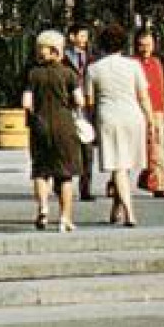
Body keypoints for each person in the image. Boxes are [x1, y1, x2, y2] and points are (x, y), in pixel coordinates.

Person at [85, 23, 154, 227]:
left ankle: (129, 212)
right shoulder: (134, 65)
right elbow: (143, 95)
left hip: (109, 117)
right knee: (125, 165)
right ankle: (117, 209)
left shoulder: (93, 69)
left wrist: (90, 121)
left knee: (118, 166)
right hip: (134, 116)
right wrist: (151, 119)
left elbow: (89, 101)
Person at [22, 29, 84, 231]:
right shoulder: (69, 74)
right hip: (64, 126)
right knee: (64, 175)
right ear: (59, 51)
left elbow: (26, 103)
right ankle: (65, 217)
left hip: (40, 126)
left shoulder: (32, 74)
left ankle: (43, 208)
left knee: (41, 171)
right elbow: (79, 101)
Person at [134, 29, 164, 198]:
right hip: (139, 111)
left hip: (157, 112)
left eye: (149, 45)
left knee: (156, 148)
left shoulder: (157, 62)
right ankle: (159, 184)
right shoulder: (132, 63)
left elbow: (161, 88)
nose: (146, 48)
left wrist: (162, 111)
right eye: (142, 45)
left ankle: (155, 182)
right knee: (150, 150)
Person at [64, 23, 97, 200]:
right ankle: (62, 184)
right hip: (68, 106)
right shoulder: (63, 58)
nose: (84, 40)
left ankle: (86, 188)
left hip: (86, 107)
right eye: (81, 36)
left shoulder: (91, 58)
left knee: (87, 149)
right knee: (67, 148)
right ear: (72, 37)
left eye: (86, 36)